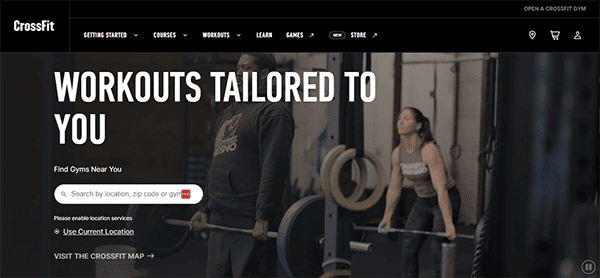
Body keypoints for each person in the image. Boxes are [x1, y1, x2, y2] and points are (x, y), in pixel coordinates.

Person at [189, 53, 295, 277]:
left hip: (250, 221)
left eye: (246, 69)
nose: (238, 73)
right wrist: (205, 208)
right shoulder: (228, 113)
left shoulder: (273, 112)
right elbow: (217, 163)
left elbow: (273, 168)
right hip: (220, 218)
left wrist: (263, 215)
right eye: (238, 68)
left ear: (264, 75)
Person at [378, 107, 461, 277]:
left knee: (438, 248)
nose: (401, 122)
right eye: (400, 119)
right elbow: (394, 187)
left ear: (418, 125)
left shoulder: (429, 151)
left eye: (407, 119)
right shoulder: (397, 154)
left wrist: (449, 222)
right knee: (408, 248)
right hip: (422, 202)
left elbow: (441, 189)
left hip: (445, 199)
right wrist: (387, 217)